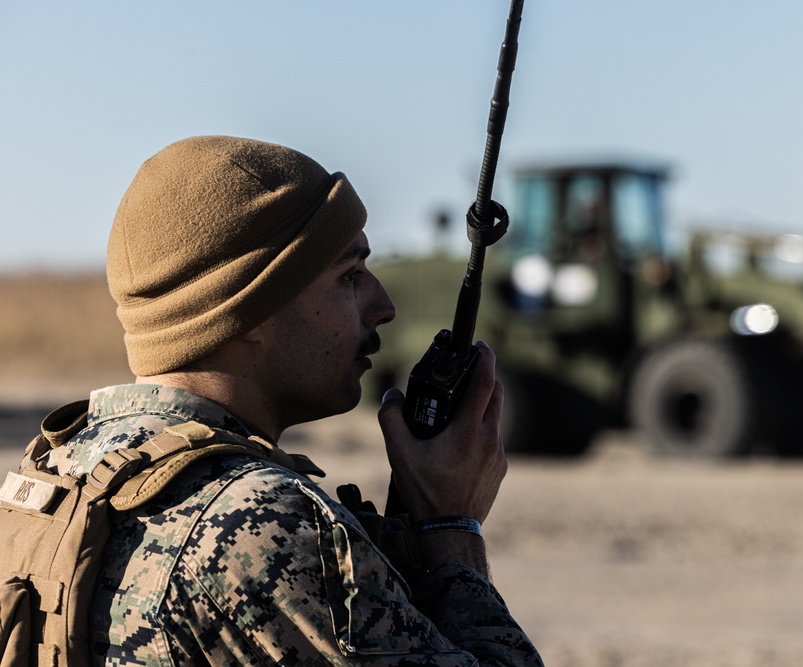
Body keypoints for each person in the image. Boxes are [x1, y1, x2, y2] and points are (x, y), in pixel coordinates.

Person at [44, 135, 543, 665]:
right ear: (248, 309)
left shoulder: (63, 467)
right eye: (349, 276)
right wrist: (451, 528)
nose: (384, 306)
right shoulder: (260, 522)